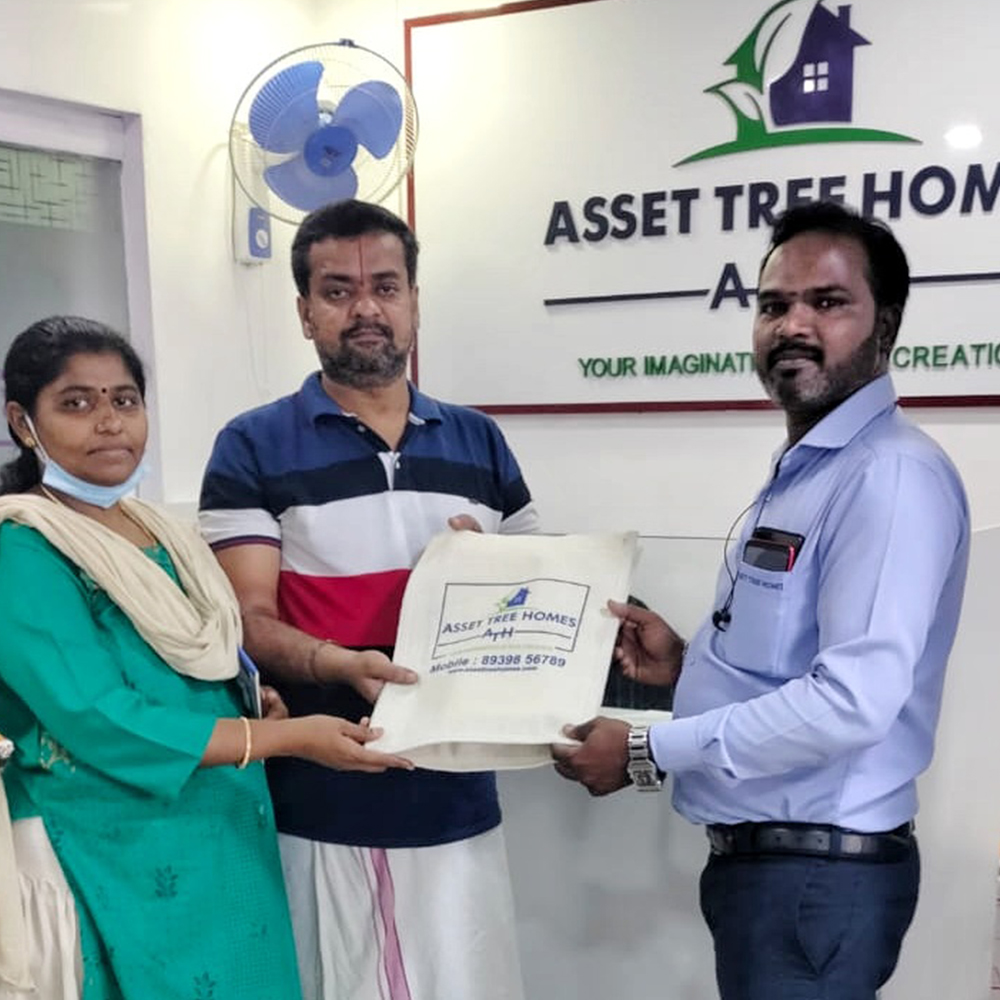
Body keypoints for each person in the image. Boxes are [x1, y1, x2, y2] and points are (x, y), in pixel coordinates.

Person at [552, 201, 970, 1000]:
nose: (792, 326)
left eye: (827, 302)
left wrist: (645, 749)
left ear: (886, 324)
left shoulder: (888, 477)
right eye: (774, 305)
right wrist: (686, 666)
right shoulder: (814, 469)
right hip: (781, 877)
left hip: (815, 883)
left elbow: (850, 703)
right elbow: (796, 661)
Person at [0, 315, 412, 1000]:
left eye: (124, 399)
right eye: (77, 403)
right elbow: (99, 717)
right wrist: (284, 738)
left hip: (222, 826)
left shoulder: (160, 531)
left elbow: (201, 652)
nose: (109, 422)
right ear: (23, 422)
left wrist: (250, 698)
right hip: (111, 841)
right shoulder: (21, 549)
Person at [198, 198, 538, 1000]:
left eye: (385, 286)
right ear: (305, 313)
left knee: (473, 981)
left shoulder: (479, 440)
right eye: (338, 290)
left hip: (461, 794)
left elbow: (533, 597)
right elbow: (246, 621)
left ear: (414, 300)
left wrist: (493, 576)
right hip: (333, 798)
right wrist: (338, 663)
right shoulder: (252, 445)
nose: (366, 309)